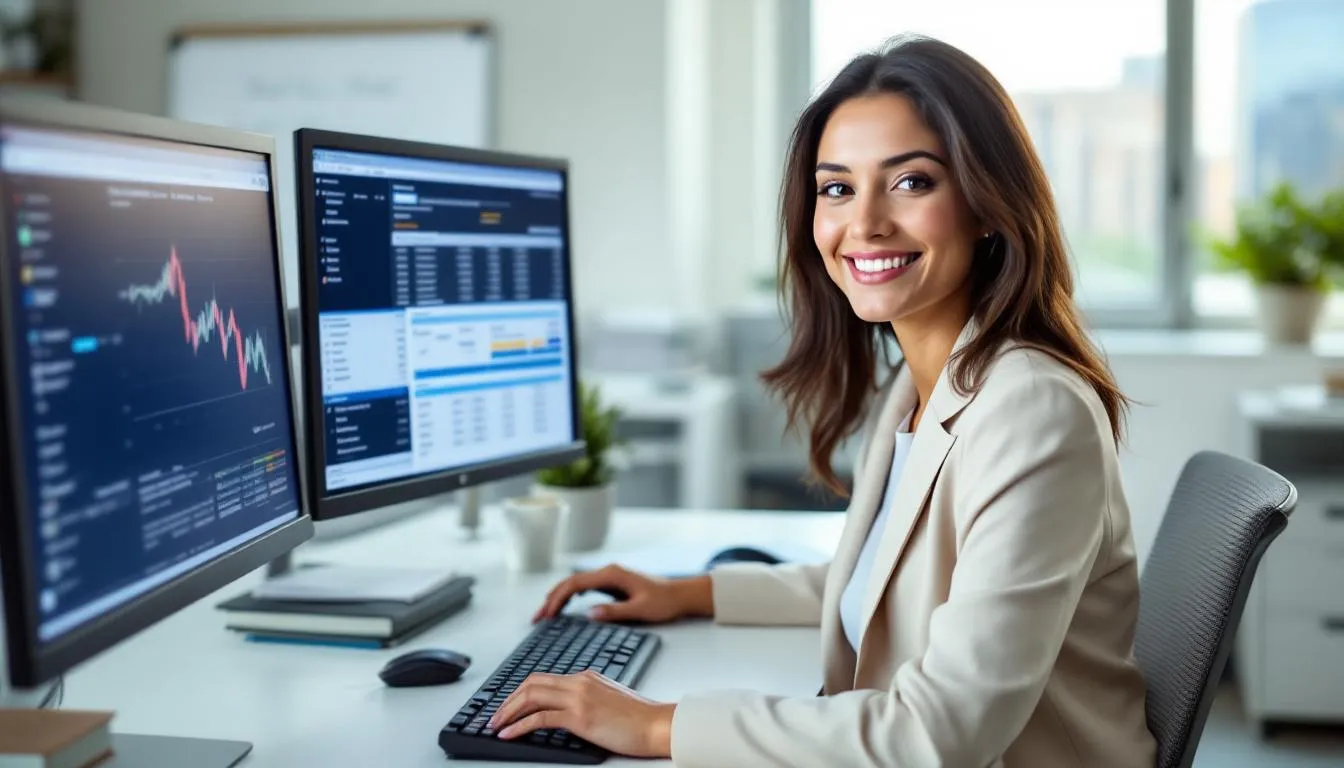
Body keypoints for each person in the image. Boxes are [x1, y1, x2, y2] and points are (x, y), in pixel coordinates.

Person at [488, 34, 1158, 767]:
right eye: (837, 187)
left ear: (988, 203)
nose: (863, 222)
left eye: (911, 182)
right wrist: (689, 594)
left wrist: (659, 728)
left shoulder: (1031, 408)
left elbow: (942, 732)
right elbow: (879, 582)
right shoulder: (919, 382)